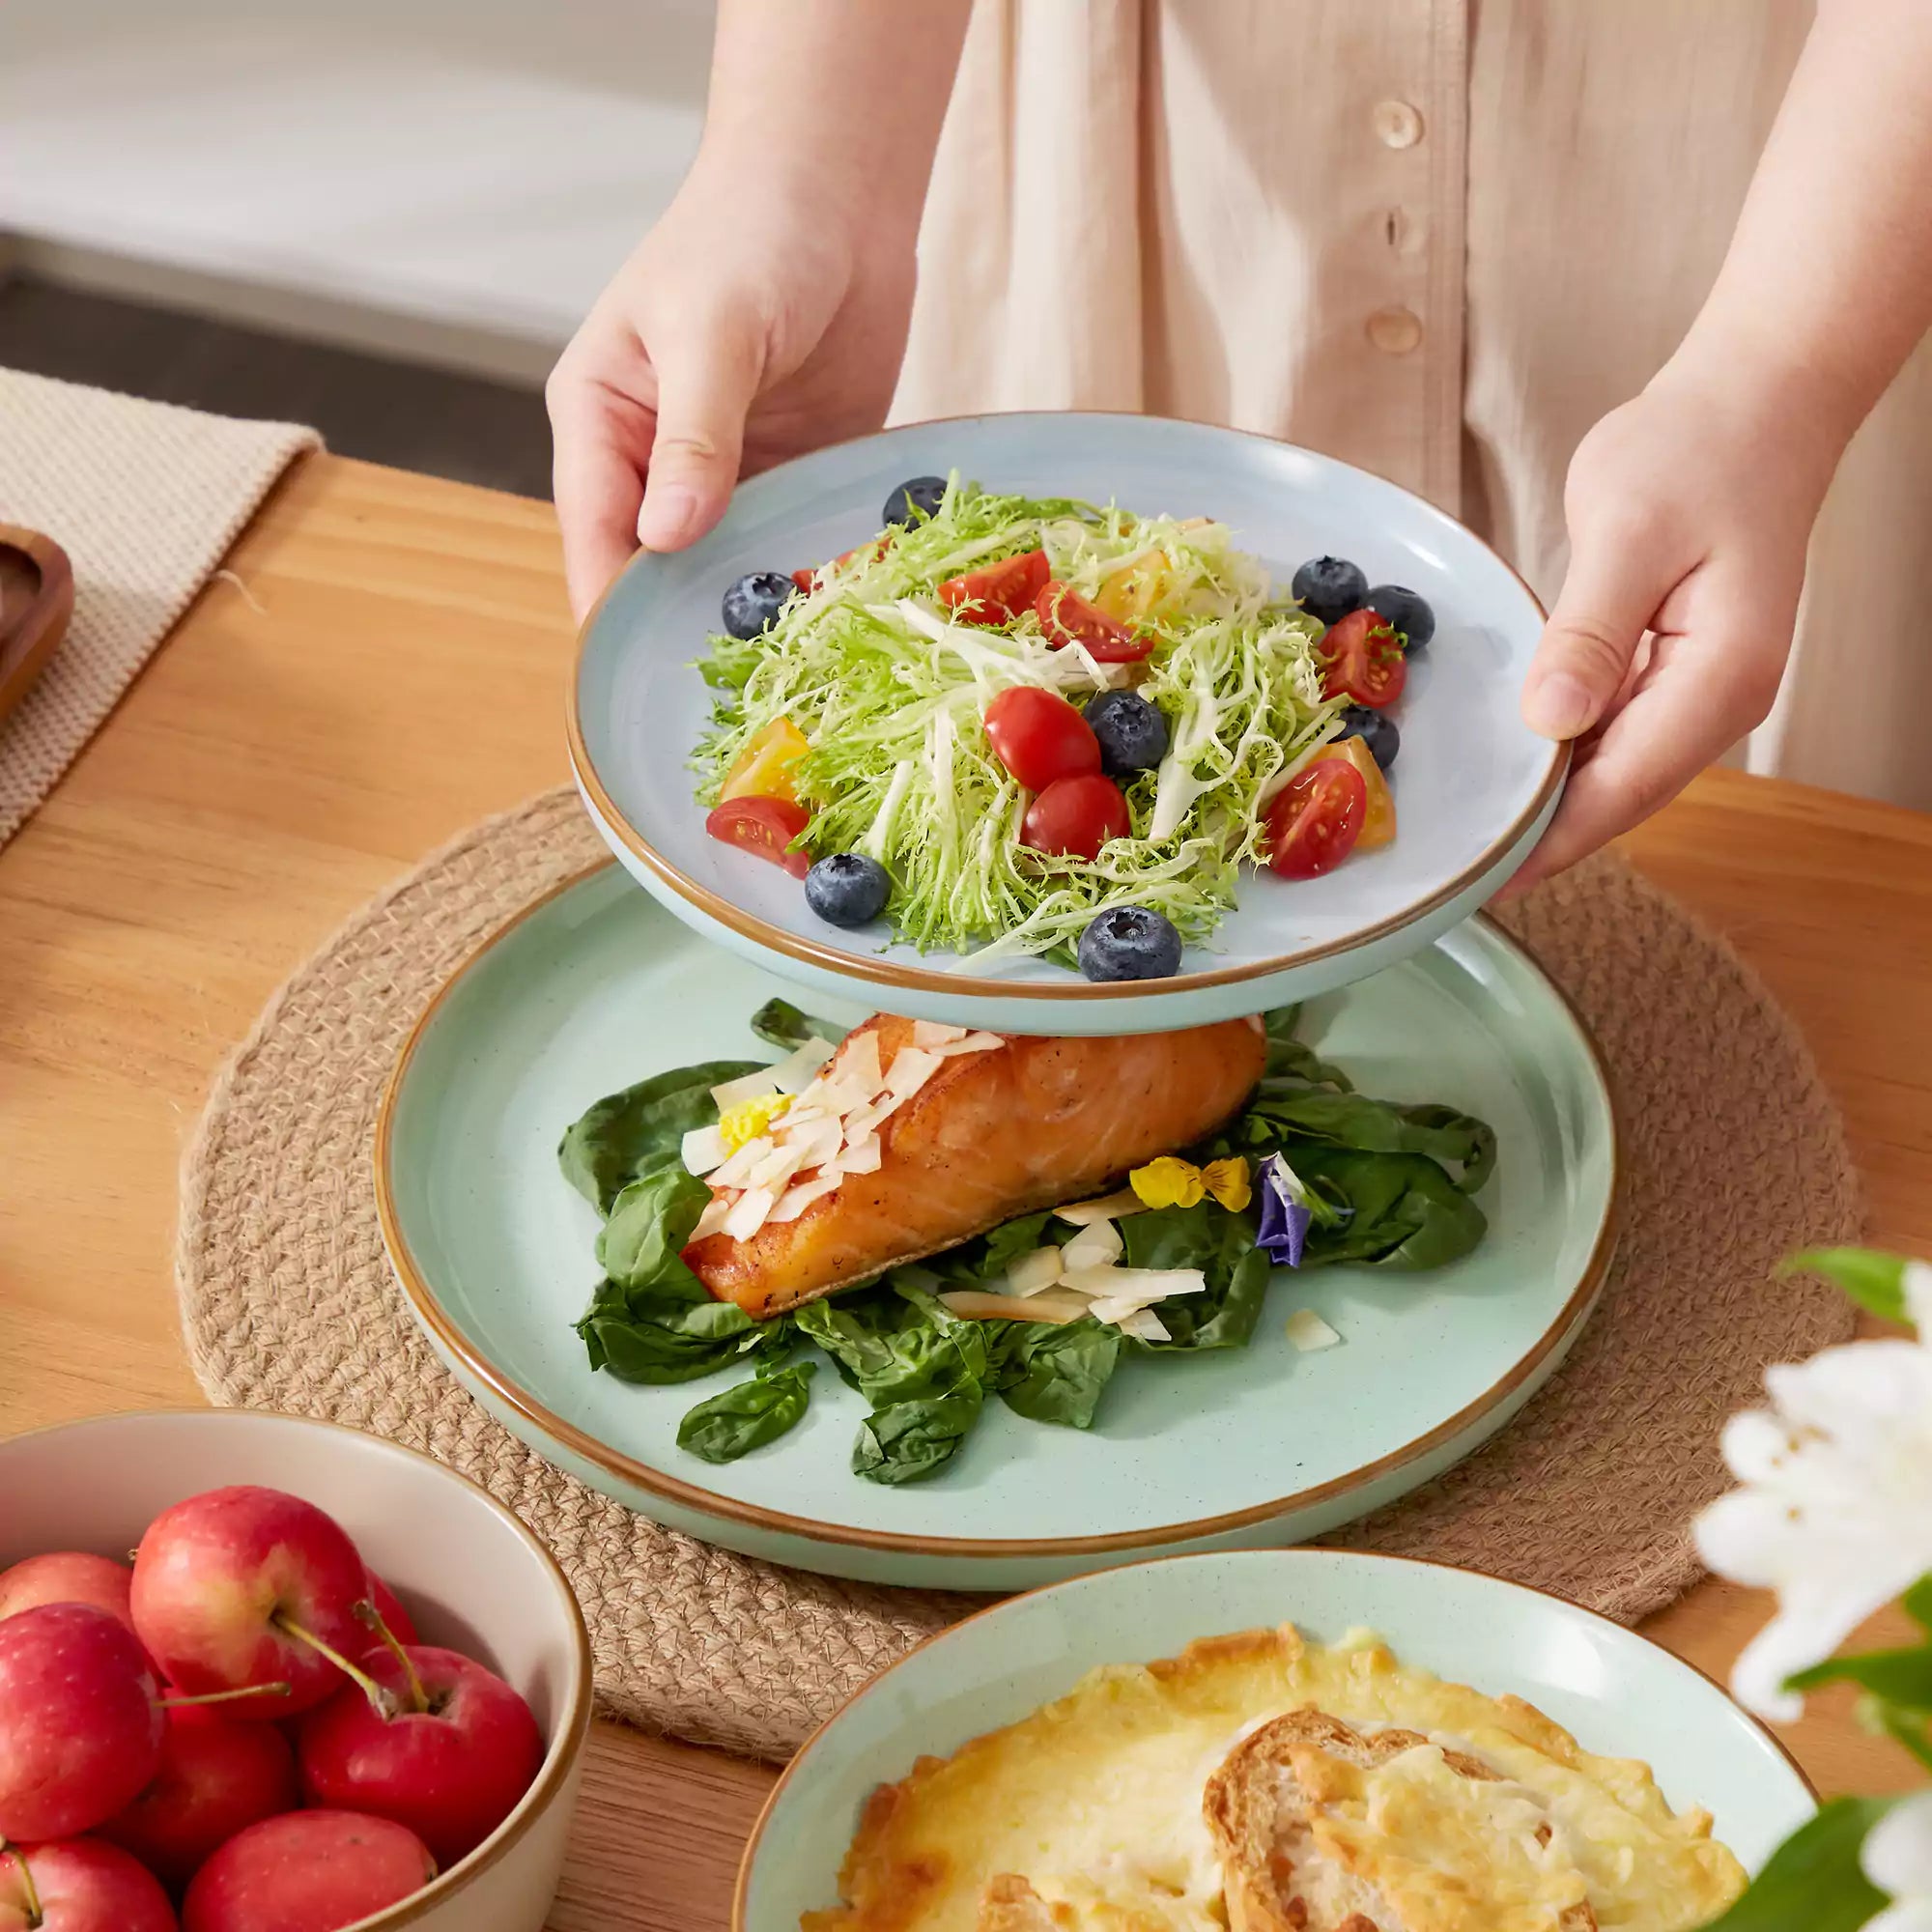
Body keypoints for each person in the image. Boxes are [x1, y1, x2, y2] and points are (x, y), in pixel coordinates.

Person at [548, 0, 1932, 891]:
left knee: (1760, 910)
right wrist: (800, 174)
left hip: (1806, 180)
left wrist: (1779, 373)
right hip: (1148, 129)